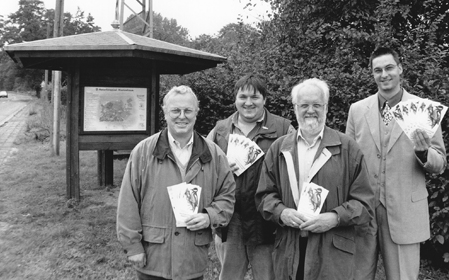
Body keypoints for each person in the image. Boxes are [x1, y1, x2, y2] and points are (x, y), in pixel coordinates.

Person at [255, 78, 374, 280]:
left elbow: (365, 204)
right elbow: (264, 196)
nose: (310, 110)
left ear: (326, 107)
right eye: (304, 105)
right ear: (295, 108)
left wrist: (335, 218)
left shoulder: (347, 148)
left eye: (317, 105)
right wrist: (281, 212)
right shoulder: (279, 148)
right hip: (289, 247)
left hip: (332, 253)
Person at [346, 47, 447, 280]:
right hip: (365, 210)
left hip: (405, 211)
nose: (384, 74)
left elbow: (440, 163)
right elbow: (349, 160)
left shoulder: (425, 109)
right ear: (372, 74)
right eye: (377, 70)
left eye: (389, 68)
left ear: (400, 69)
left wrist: (423, 153)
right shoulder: (357, 110)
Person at [117, 85, 236, 280]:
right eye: (175, 110)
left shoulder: (214, 154)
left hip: (192, 260)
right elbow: (128, 202)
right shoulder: (144, 151)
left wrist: (210, 216)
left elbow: (228, 195)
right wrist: (133, 246)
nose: (182, 116)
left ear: (196, 113)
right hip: (153, 258)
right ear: (165, 112)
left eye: (188, 110)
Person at [207, 75, 294, 280]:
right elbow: (203, 169)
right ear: (235, 99)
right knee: (229, 275)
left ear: (264, 99)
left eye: (254, 97)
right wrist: (218, 170)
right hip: (231, 218)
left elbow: (297, 171)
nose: (248, 102)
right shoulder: (220, 130)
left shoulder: (284, 129)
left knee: (268, 276)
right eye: (242, 96)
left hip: (267, 220)